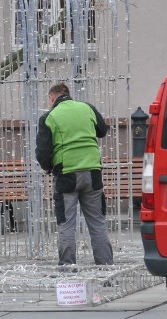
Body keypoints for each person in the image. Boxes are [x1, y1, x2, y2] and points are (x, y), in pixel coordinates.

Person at [35, 82, 114, 266]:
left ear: (52, 98)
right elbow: (102, 131)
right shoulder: (87, 108)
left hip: (66, 175)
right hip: (93, 173)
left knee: (66, 223)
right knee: (97, 223)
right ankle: (106, 268)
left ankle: (68, 268)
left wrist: (47, 167)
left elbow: (43, 152)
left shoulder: (49, 117)